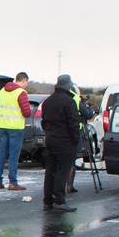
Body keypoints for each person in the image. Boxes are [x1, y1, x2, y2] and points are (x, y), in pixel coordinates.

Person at [41, 74, 83, 211]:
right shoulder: (68, 102)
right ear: (68, 86)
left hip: (50, 139)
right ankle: (59, 200)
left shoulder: (47, 101)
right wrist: (75, 139)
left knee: (50, 170)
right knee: (62, 171)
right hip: (65, 141)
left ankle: (48, 201)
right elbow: (73, 124)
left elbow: (43, 122)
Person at [0, 72, 33, 191]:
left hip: (3, 126)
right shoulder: (21, 92)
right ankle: (13, 182)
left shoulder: (2, 91)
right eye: (26, 82)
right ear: (24, 80)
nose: (26, 85)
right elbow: (26, 112)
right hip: (16, 128)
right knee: (13, 156)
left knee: (2, 154)